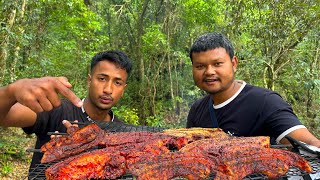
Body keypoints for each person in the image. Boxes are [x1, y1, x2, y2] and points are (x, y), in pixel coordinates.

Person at [0, 50, 133, 169]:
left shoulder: (123, 133)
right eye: (102, 79)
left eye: (117, 82)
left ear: (123, 89)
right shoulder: (56, 110)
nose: (108, 89)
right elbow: (5, 117)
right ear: (89, 80)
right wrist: (11, 91)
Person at [187, 32, 320, 147]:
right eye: (200, 66)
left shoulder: (265, 102)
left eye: (217, 64)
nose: (209, 72)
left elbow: (309, 144)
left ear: (234, 64)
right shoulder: (197, 110)